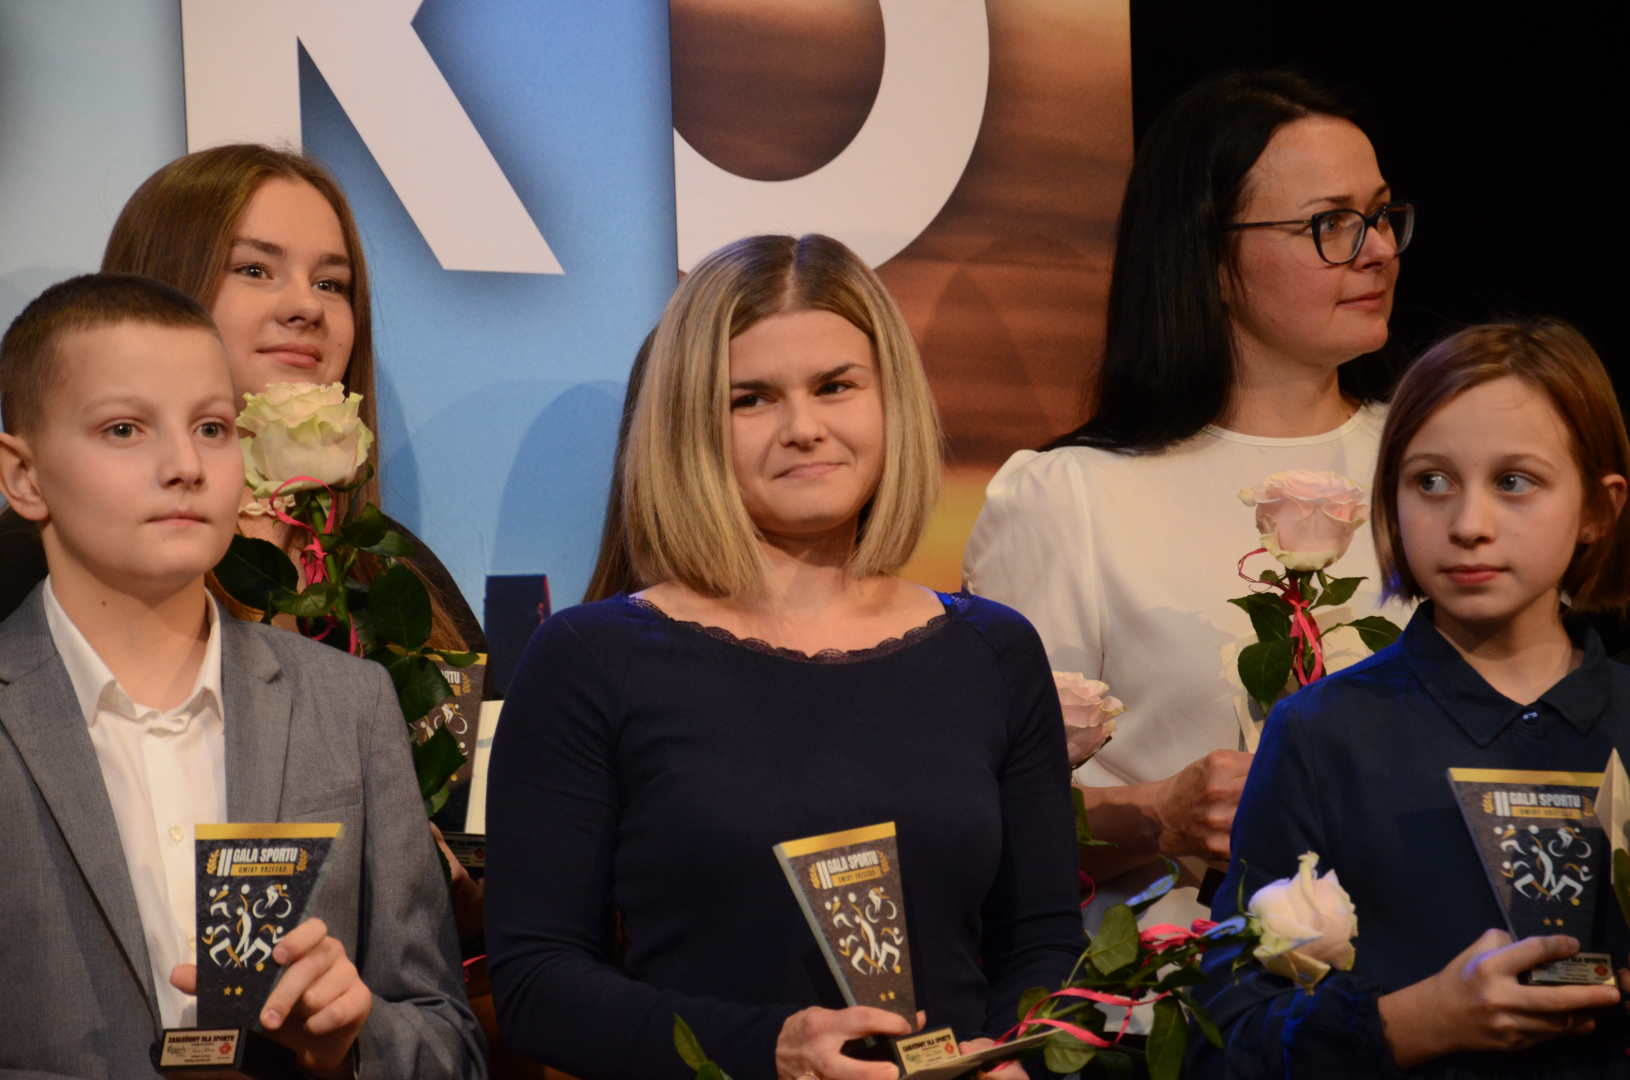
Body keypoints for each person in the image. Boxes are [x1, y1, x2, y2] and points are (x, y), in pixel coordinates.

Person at [484, 234, 1080, 1080]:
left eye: (836, 386)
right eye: (752, 399)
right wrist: (770, 1050)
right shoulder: (588, 660)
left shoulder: (994, 651)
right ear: (690, 423)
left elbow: (1043, 943)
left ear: (891, 400)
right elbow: (537, 985)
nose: (804, 429)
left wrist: (1021, 1057)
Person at [961, 70, 1413, 940]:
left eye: (1381, 214)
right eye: (1330, 224)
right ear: (1207, 256)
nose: (1378, 251)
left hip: (1436, 980)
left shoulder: (1435, 464)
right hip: (1175, 990)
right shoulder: (1072, 495)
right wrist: (1156, 814)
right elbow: (980, 817)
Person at [0, 274, 484, 1077]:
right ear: (24, 476)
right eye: (124, 429)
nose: (185, 465)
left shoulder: (349, 704)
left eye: (213, 427)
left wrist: (350, 1045)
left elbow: (449, 1043)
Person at [1192, 319, 1630, 1077]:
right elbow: (1221, 1037)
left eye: (1514, 482)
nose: (1468, 525)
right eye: (1431, 482)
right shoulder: (1323, 733)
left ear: (1598, 508)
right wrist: (1419, 1022)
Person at [0, 143, 484, 653]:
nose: (307, 306)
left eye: (330, 283)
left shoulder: (393, 567)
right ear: (159, 289)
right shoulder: (31, 565)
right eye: (255, 270)